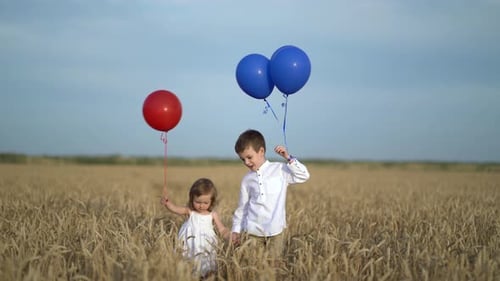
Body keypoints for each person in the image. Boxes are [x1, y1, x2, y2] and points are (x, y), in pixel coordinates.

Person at [230, 129, 310, 264]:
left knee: (274, 267)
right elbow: (242, 208)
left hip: (276, 232)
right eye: (242, 159)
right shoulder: (247, 180)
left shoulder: (280, 169)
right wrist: (236, 230)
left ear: (261, 151)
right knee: (254, 267)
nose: (246, 162)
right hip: (252, 232)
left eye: (249, 157)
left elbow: (304, 176)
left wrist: (288, 158)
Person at [160, 178, 230, 278]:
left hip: (205, 245)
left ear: (212, 201)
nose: (201, 206)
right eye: (198, 202)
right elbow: (175, 209)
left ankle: (206, 276)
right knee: (188, 262)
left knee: (206, 264)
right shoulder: (190, 211)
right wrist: (167, 204)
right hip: (189, 244)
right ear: (192, 199)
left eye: (205, 203)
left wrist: (229, 236)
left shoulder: (212, 215)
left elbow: (222, 229)